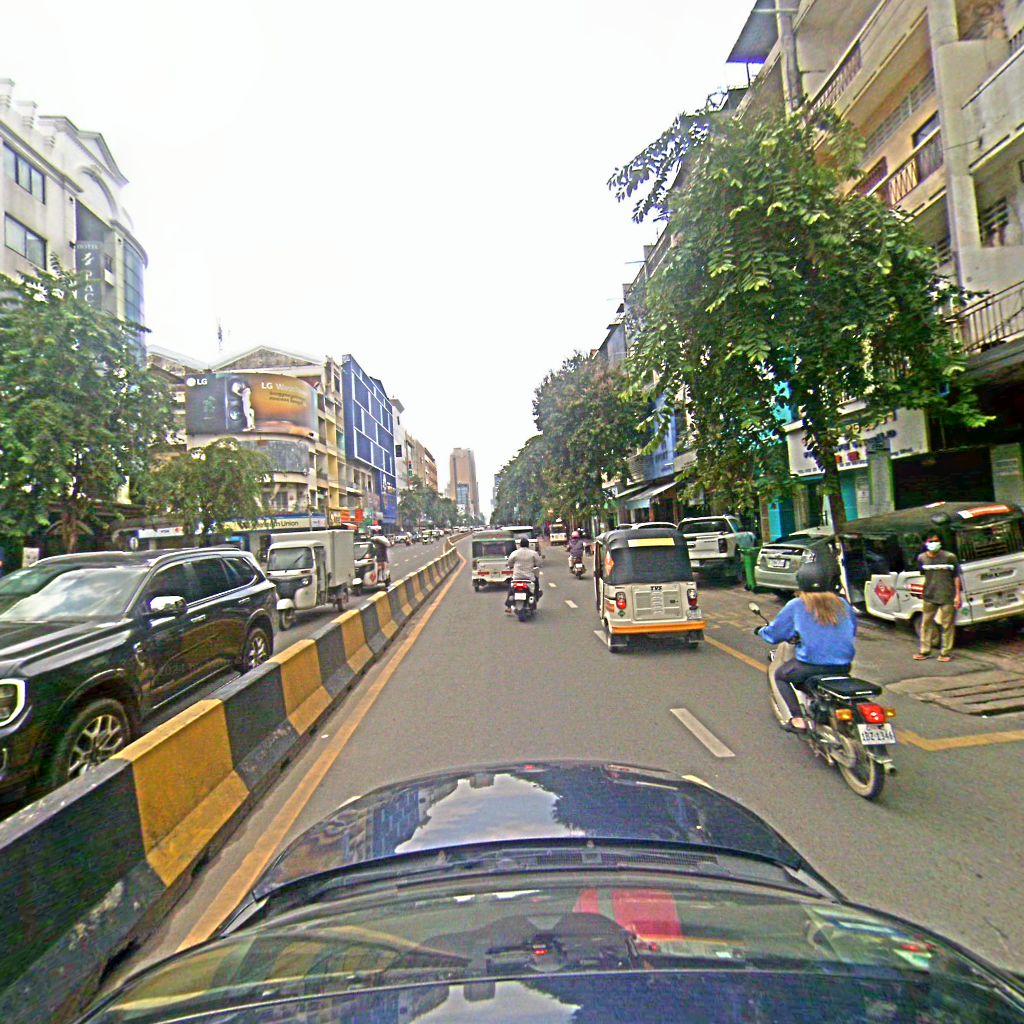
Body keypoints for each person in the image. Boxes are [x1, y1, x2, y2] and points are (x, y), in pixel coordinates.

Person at [756, 562, 857, 732]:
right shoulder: (842, 603)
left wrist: (761, 631)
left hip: (810, 666)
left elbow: (775, 634)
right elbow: (852, 629)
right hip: (843, 666)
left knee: (780, 675)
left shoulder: (797, 605)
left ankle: (797, 719)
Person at [913, 532, 961, 663]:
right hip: (929, 596)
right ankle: (924, 651)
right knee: (926, 624)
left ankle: (946, 653)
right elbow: (924, 575)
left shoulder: (950, 557)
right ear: (925, 543)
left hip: (948, 595)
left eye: (936, 541)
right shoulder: (922, 558)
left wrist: (958, 595)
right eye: (931, 541)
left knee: (947, 626)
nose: (934, 543)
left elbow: (956, 576)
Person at [506, 538, 544, 612]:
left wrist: (511, 566)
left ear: (520, 545)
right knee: (536, 583)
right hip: (529, 577)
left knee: (511, 590)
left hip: (517, 577)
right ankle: (536, 596)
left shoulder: (515, 553)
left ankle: (508, 605)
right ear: (528, 545)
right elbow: (539, 563)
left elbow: (509, 562)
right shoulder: (533, 553)